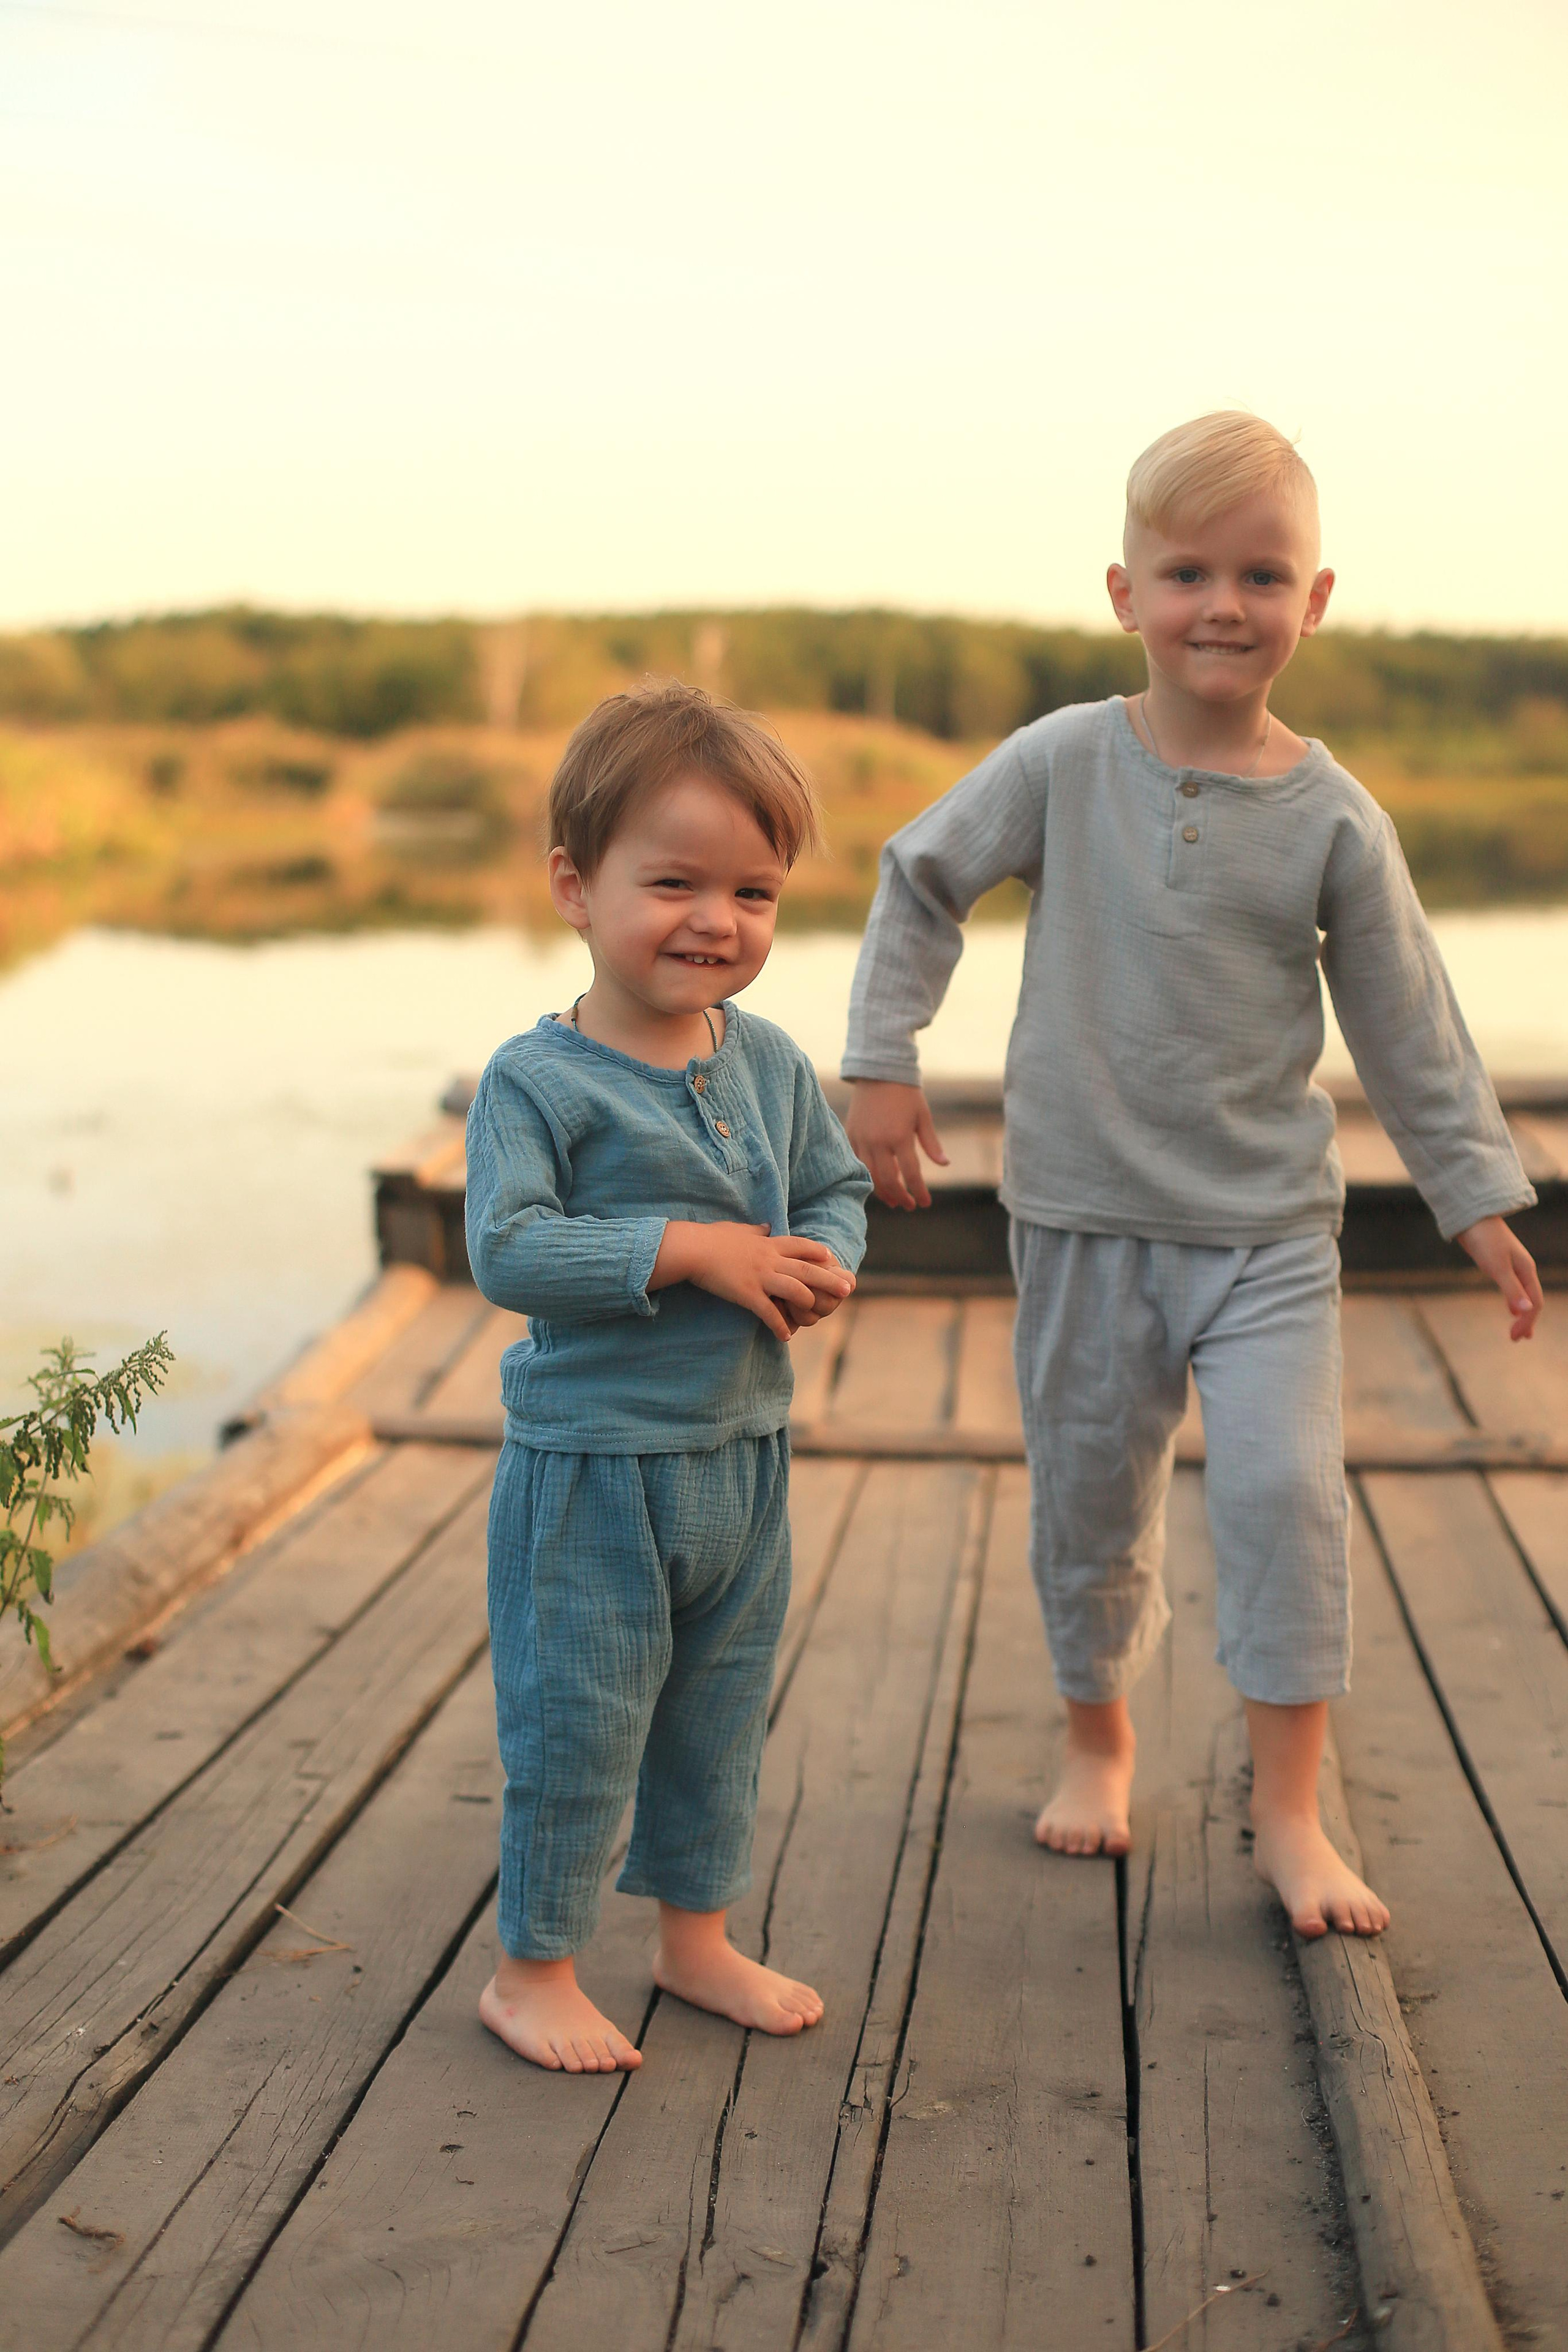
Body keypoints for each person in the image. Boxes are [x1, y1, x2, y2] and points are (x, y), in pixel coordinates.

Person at [841, 412, 1542, 1940]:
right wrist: (879, 1058)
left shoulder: (1332, 816)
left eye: (1260, 574)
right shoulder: (1062, 763)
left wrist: (1474, 1194)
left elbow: (1407, 1018)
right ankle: (1100, 1741)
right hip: (1084, 1217)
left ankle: (1286, 1813)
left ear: (1315, 599)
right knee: (1092, 1503)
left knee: (1287, 1492)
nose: (1221, 603)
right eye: (1185, 572)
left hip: (1265, 1232)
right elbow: (918, 878)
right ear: (1122, 593)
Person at [466, 682, 870, 2072]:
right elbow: (509, 1250)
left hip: (740, 1457)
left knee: (713, 1718)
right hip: (591, 1472)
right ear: (576, 888)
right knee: (578, 1722)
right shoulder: (539, 1083)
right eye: (675, 882)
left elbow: (829, 1186)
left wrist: (820, 1252)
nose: (717, 921)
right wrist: (691, 1249)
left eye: (753, 893)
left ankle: (693, 1941)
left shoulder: (763, 1062)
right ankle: (533, 1971)